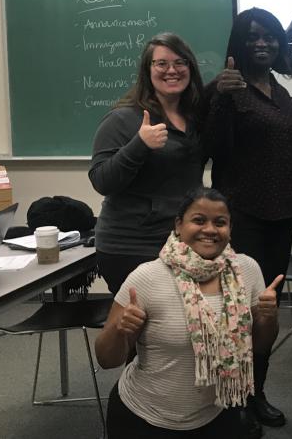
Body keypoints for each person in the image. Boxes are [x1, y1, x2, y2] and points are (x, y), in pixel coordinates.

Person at [94, 187, 281, 437]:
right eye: (199, 220)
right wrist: (121, 331)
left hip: (216, 413)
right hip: (144, 418)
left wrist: (267, 318)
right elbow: (107, 360)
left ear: (230, 229)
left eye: (220, 222)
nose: (210, 229)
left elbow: (260, 346)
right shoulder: (147, 277)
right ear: (178, 225)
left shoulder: (246, 270)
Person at [200, 7, 292, 431]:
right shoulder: (225, 88)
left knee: (266, 310)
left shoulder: (277, 89)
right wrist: (221, 98)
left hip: (281, 217)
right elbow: (213, 149)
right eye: (254, 36)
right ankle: (233, 400)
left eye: (271, 37)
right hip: (242, 217)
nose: (262, 43)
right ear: (238, 43)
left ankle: (257, 392)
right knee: (236, 312)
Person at [89, 32, 206, 295]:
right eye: (161, 64)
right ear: (147, 70)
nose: (172, 70)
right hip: (131, 246)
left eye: (180, 62)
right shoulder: (122, 118)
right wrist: (139, 144)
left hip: (180, 241)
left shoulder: (194, 116)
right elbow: (101, 180)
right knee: (143, 327)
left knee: (177, 324)